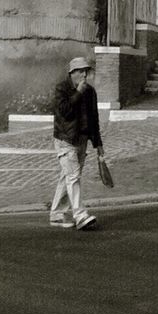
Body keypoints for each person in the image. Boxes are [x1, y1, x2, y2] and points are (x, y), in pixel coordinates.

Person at [50, 55, 105, 230]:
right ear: (72, 73)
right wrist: (78, 93)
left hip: (82, 140)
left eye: (86, 71)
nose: (84, 75)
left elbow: (94, 118)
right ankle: (80, 215)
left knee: (67, 176)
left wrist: (98, 144)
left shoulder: (90, 92)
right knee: (73, 176)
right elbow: (64, 112)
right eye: (80, 71)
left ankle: (57, 214)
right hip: (65, 139)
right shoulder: (62, 89)